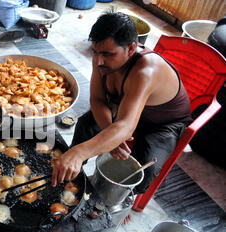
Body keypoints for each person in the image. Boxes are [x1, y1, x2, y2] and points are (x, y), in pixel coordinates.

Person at [51, 12, 192, 200]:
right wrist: (109, 133)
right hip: (127, 110)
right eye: (95, 51)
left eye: (108, 54)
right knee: (87, 123)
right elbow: (98, 101)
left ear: (131, 48)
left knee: (145, 167)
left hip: (162, 124)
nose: (98, 61)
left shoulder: (146, 71)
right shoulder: (101, 59)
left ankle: (122, 200)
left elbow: (125, 127)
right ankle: (71, 172)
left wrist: (82, 150)